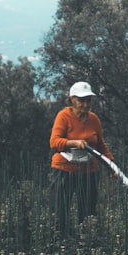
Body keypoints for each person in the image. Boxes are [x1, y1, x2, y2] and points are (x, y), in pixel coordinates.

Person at [49, 81, 114, 236]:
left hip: (88, 170)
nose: (85, 104)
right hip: (64, 170)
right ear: (72, 99)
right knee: (60, 213)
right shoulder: (63, 116)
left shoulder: (94, 119)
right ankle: (59, 246)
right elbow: (54, 142)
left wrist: (111, 164)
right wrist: (73, 143)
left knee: (88, 213)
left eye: (88, 100)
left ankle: (87, 245)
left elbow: (100, 144)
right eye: (81, 100)